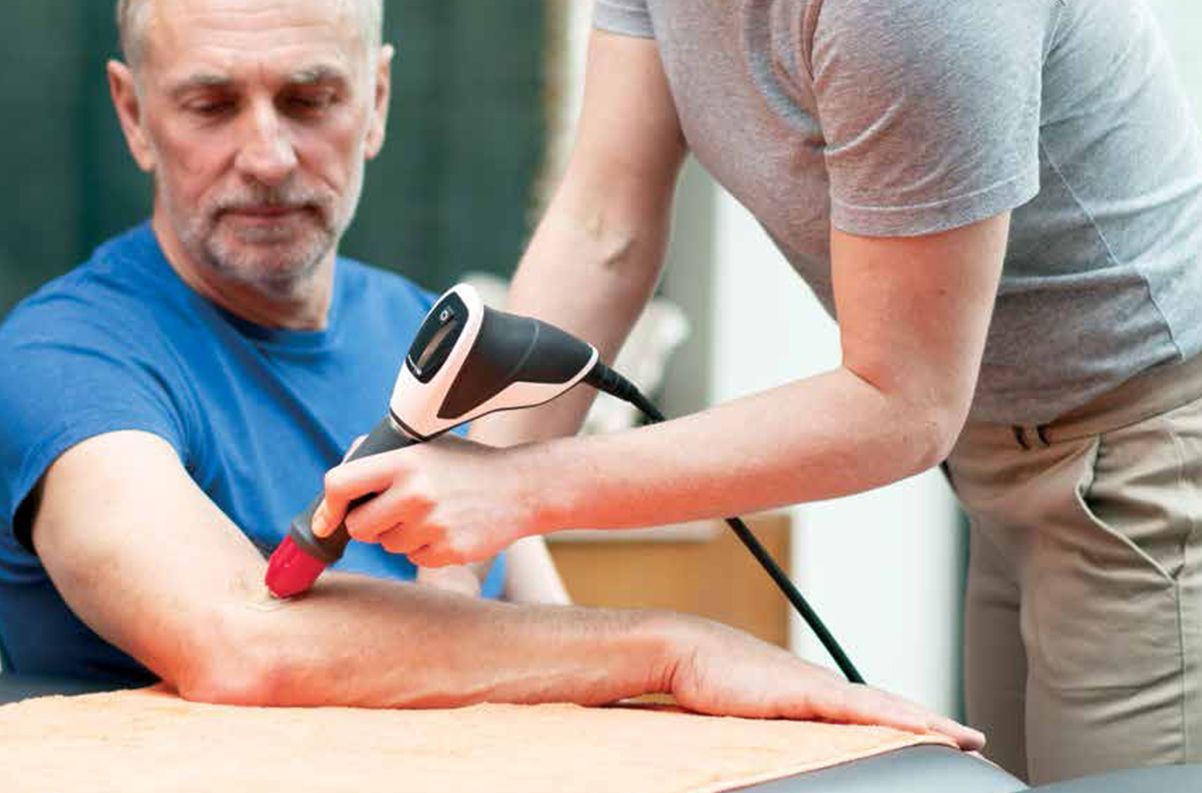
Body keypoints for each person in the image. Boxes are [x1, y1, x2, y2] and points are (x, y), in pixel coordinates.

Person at [0, 0, 984, 749]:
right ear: (133, 115)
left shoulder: (419, 334)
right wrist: (672, 646)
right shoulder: (62, 359)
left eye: (310, 99)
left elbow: (542, 626)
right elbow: (238, 644)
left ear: (377, 102)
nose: (265, 155)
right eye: (210, 105)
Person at [311, 0, 1202, 784]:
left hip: (1147, 458)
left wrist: (516, 489)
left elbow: (902, 404)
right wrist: (458, 538)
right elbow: (602, 226)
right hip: (998, 449)